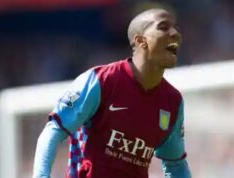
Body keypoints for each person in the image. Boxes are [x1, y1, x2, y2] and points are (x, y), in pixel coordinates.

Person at [33, 8, 191, 178]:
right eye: (164, 27)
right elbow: (53, 130)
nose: (175, 33)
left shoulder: (172, 101)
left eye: (177, 28)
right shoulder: (101, 81)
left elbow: (175, 165)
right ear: (141, 40)